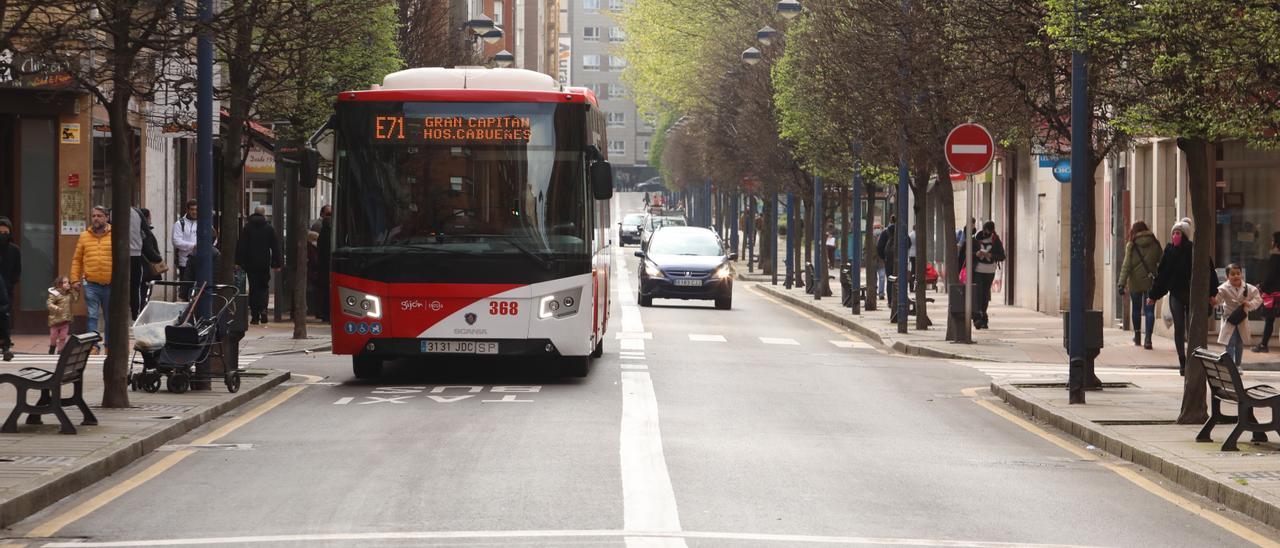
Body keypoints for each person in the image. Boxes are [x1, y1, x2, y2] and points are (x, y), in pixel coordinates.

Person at [1148, 218, 1219, 375]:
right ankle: (1182, 361)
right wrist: (1153, 295)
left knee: (1190, 327)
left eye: (1178, 233)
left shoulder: (1194, 250)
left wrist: (1212, 293)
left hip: (1192, 294)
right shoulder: (1169, 251)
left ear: (1185, 235)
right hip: (1176, 294)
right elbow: (1163, 275)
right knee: (1179, 326)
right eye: (1173, 233)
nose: (1175, 236)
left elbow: (1209, 271)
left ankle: (1193, 359)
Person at [71, 206, 112, 354]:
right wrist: (74, 280)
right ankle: (93, 346)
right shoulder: (84, 236)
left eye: (99, 216)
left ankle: (109, 346)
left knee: (110, 317)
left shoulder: (115, 234)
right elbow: (77, 260)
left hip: (110, 284)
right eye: (94, 215)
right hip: (91, 284)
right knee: (92, 316)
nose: (96, 218)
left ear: (106, 217)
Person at [1118, 221, 1162, 349]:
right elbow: (1162, 261)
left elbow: (1126, 265)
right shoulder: (1155, 243)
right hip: (1150, 282)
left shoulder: (1131, 245)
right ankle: (1148, 339)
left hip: (1135, 282)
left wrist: (1121, 283)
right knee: (1149, 311)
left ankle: (1137, 336)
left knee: (1136, 309)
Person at [236, 206, 283, 325]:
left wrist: (239, 262)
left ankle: (255, 315)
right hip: (264, 263)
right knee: (263, 287)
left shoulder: (247, 228)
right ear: (264, 215)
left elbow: (242, 246)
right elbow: (275, 247)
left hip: (250, 264)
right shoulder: (269, 228)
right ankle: (263, 309)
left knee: (253, 288)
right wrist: (276, 263)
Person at [1212, 263, 1262, 366]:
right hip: (1229, 318)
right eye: (1233, 274)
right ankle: (1230, 366)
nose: (1236, 276)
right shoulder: (1223, 288)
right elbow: (1217, 300)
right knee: (1230, 342)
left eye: (1238, 273)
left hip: (1241, 318)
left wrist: (1249, 304)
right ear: (1227, 276)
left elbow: (1258, 299)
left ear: (1241, 275)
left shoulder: (1248, 288)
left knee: (1239, 342)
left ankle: (1238, 365)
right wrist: (1214, 301)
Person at [959, 220, 1006, 329]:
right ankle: (977, 317)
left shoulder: (996, 240)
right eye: (985, 231)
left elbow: (1002, 256)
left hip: (990, 271)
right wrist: (976, 253)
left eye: (989, 231)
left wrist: (991, 255)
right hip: (978, 270)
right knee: (978, 293)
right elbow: (966, 253)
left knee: (985, 295)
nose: (986, 233)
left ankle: (983, 316)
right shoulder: (975, 239)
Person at [1254, 232, 1280, 353]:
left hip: (1275, 294)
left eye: (1272, 240)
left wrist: (1261, 287)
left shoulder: (1275, 258)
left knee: (1270, 320)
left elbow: (1270, 277)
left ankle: (1264, 344)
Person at [0, 216, 19, 360]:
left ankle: (5, 343)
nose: (3, 235)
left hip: (6, 288)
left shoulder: (14, 250)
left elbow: (17, 270)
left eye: (5, 233)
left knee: (5, 315)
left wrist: (11, 285)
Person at [47, 276, 77, 354]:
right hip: (55, 320)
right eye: (65, 282)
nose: (68, 284)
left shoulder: (69, 294)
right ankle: (52, 348)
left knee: (63, 337)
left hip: (65, 320)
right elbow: (49, 303)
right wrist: (56, 308)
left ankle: (60, 351)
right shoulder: (54, 294)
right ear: (59, 284)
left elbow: (75, 299)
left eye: (68, 282)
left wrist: (76, 290)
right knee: (53, 336)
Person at [172, 200, 197, 295]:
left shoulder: (204, 223)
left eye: (196, 209)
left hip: (200, 261)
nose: (194, 212)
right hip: (185, 262)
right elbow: (176, 241)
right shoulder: (180, 224)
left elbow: (213, 238)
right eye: (192, 209)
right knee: (187, 289)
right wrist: (193, 246)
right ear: (187, 210)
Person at [316, 210, 332, 322]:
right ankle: (325, 313)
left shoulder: (323, 232)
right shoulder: (330, 233)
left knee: (324, 291)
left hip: (323, 267)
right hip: (328, 267)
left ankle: (324, 313)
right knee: (327, 292)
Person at [873, 222, 886, 299]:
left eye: (879, 227)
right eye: (875, 228)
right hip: (873, 261)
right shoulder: (870, 237)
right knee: (873, 278)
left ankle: (881, 293)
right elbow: (865, 250)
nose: (877, 229)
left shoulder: (884, 237)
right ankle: (873, 291)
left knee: (882, 277)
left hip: (882, 261)